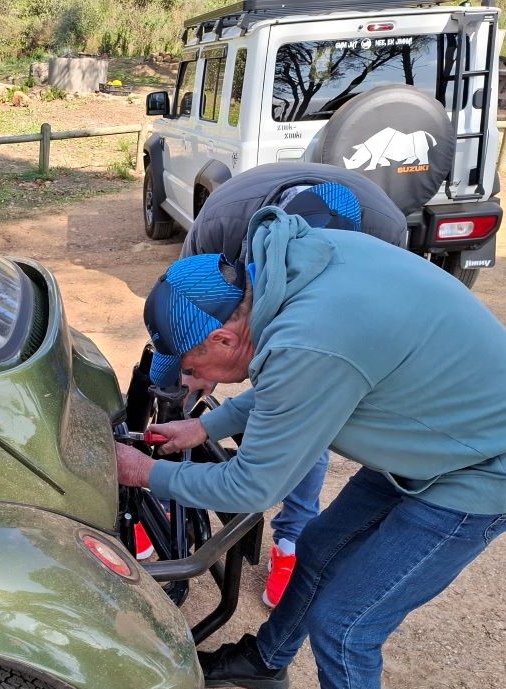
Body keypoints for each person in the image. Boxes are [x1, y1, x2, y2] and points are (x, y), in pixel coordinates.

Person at [115, 208, 506, 689]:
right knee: (322, 546)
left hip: (484, 466)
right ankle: (267, 660)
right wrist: (204, 428)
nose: (191, 380)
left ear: (224, 335)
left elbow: (255, 483)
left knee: (348, 627)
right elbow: (294, 382)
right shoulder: (285, 273)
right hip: (428, 429)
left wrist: (146, 473)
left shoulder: (310, 337)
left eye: (191, 366)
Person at [148, 164, 407, 608]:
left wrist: (144, 471)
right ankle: (168, 505)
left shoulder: (378, 241)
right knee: (179, 387)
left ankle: (292, 537)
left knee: (307, 412)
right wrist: (190, 386)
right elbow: (180, 310)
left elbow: (301, 396)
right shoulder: (220, 226)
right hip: (239, 259)